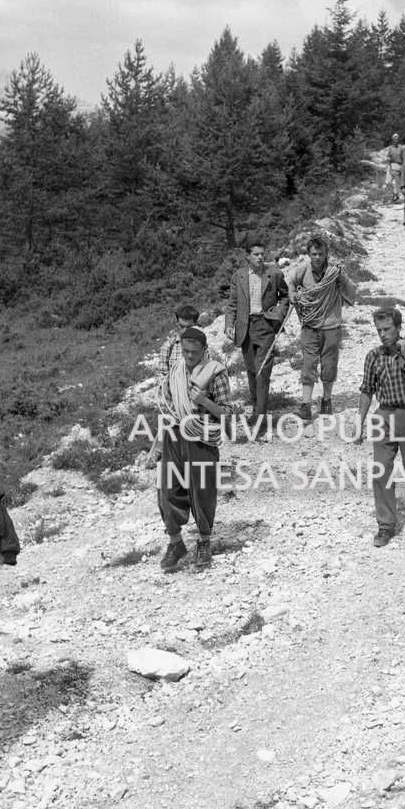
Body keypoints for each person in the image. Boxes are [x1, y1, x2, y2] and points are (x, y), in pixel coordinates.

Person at [156, 327, 235, 570]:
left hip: (202, 438)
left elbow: (226, 412)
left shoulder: (215, 373)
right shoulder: (176, 370)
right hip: (174, 435)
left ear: (204, 350)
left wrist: (204, 401)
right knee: (167, 490)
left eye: (194, 352)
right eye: (186, 351)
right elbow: (167, 404)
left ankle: (204, 541)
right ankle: (175, 542)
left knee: (202, 491)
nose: (189, 356)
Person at [356, 308, 405, 548]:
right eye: (379, 330)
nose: (382, 334)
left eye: (387, 329)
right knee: (381, 470)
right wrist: (359, 423)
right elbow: (367, 390)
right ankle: (386, 524)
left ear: (398, 328)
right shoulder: (373, 356)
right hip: (385, 414)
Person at [286, 235, 357, 420]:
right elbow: (290, 281)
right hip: (309, 326)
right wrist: (292, 294)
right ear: (309, 254)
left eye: (321, 254)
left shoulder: (334, 272)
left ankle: (326, 400)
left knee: (329, 365)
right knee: (308, 364)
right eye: (314, 254)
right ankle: (306, 405)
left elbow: (350, 291)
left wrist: (342, 280)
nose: (317, 257)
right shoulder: (303, 269)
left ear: (326, 254)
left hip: (331, 325)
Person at [223, 238, 290, 434]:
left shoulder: (274, 273)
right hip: (245, 328)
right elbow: (232, 304)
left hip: (266, 326)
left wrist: (279, 313)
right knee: (252, 371)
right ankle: (255, 410)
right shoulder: (239, 276)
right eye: (256, 254)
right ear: (248, 256)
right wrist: (229, 324)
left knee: (262, 372)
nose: (260, 257)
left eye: (262, 254)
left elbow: (285, 296)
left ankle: (261, 417)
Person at [156, 304, 201, 383]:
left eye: (189, 327)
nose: (184, 331)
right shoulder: (168, 346)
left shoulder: (202, 345)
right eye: (181, 326)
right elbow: (162, 375)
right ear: (177, 323)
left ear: (195, 324)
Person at [384, 134, 405, 202]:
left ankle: (396, 195)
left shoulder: (401, 148)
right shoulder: (390, 148)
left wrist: (403, 167)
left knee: (396, 182)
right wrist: (390, 168)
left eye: (397, 139)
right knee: (388, 182)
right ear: (392, 140)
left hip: (399, 165)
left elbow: (404, 158)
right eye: (394, 139)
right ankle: (395, 194)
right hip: (392, 165)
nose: (396, 140)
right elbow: (388, 158)